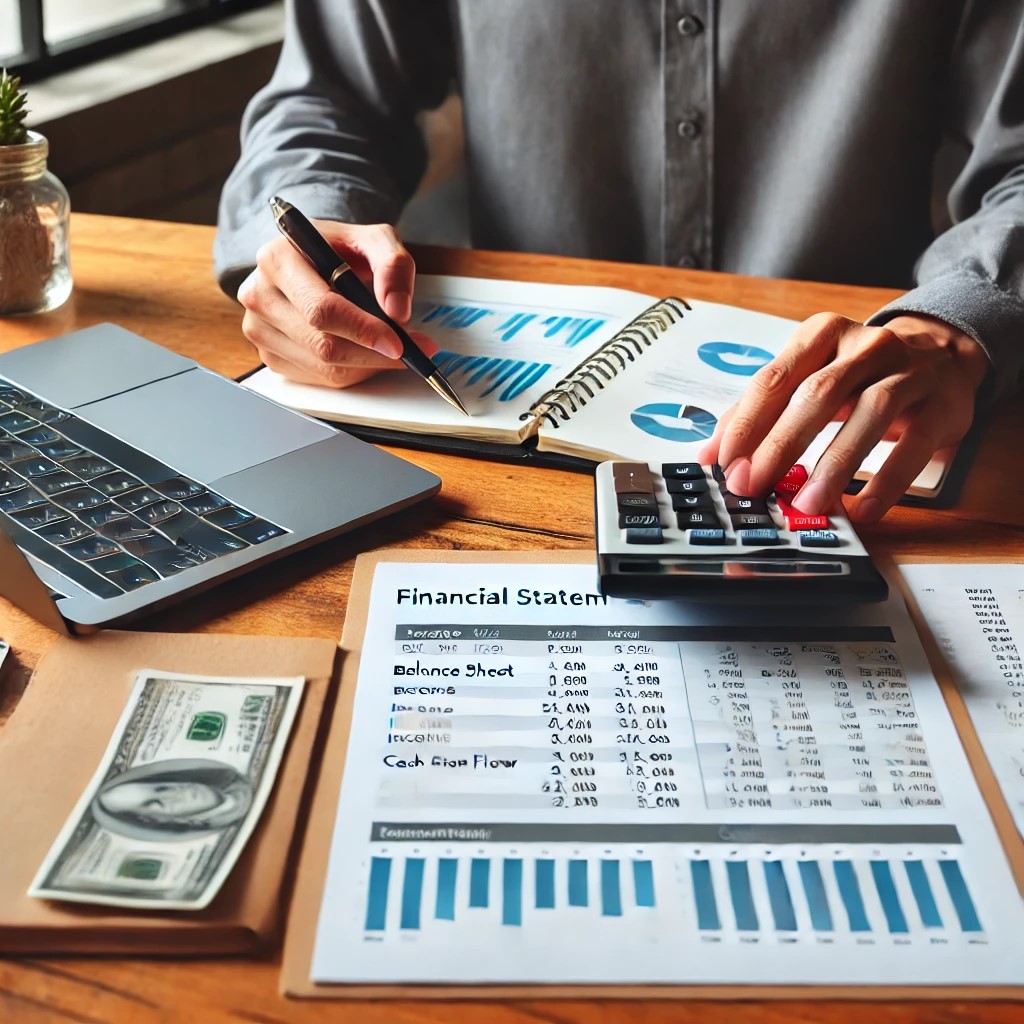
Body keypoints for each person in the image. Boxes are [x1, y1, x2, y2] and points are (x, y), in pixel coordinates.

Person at [215, 1, 1024, 521]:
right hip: (490, 467)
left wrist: (961, 318)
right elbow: (327, 97)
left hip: (864, 450)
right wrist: (309, 228)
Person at [92, 759, 254, 840]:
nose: (175, 794)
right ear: (155, 821)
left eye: (161, 788)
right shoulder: (230, 827)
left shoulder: (247, 779)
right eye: (157, 803)